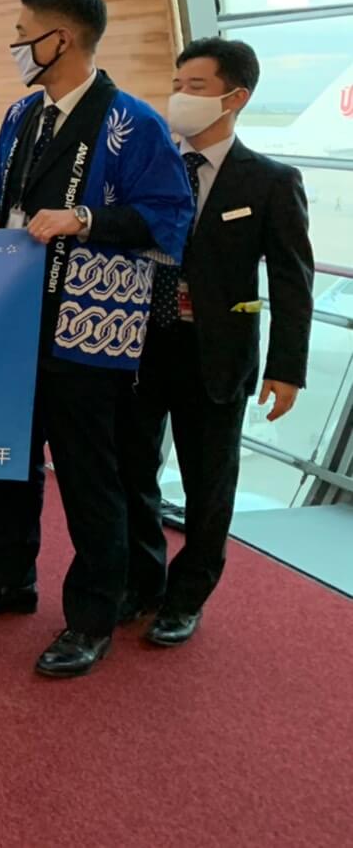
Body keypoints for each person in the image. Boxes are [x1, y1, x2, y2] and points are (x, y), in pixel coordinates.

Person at [0, 0, 194, 678]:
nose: (17, 45)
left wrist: (84, 220)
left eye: (25, 32)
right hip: (15, 321)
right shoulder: (23, 115)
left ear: (64, 38)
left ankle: (90, 618)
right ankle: (11, 579)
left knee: (91, 480)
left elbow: (169, 218)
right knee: (10, 466)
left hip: (89, 330)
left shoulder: (133, 124)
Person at [120, 38, 313, 646]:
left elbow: (292, 279)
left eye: (196, 87)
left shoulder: (271, 182)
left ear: (236, 97)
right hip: (140, 346)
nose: (180, 96)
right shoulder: (147, 169)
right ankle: (141, 581)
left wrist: (287, 369)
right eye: (178, 83)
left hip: (216, 353)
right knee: (131, 472)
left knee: (209, 484)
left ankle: (187, 595)